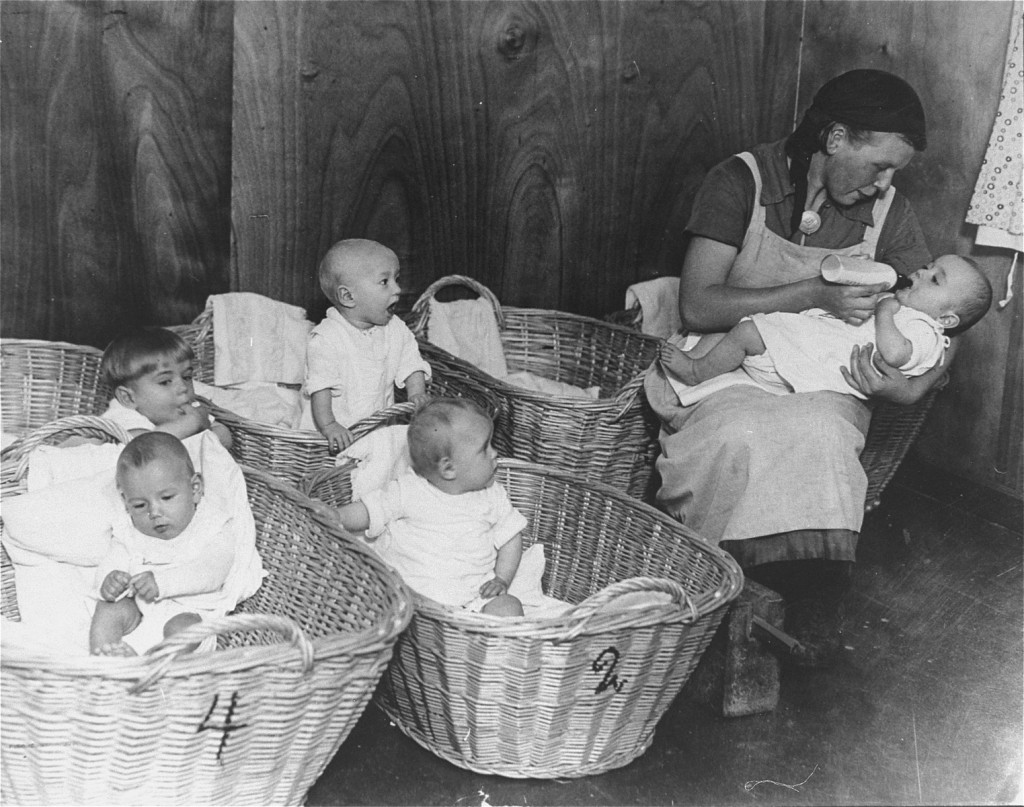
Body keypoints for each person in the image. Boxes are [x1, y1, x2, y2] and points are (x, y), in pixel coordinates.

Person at [643, 69, 965, 666]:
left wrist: (912, 385)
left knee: (820, 435)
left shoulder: (889, 212)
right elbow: (697, 302)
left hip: (821, 380)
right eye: (879, 165)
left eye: (894, 171)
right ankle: (709, 595)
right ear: (836, 138)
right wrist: (811, 294)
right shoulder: (741, 180)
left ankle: (802, 607)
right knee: (739, 436)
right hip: (726, 362)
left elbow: (945, 315)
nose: (884, 183)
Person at [659, 254, 991, 398]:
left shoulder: (925, 330)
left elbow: (893, 353)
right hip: (820, 353)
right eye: (927, 266)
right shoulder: (912, 309)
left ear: (946, 320)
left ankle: (697, 372)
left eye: (934, 279)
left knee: (749, 331)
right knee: (745, 330)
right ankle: (705, 365)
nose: (919, 273)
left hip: (825, 363)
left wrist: (886, 311)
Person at [333, 397, 526, 616]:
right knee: (364, 601)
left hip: (475, 598)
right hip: (412, 598)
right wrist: (337, 516)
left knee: (510, 608)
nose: (495, 453)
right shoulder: (410, 490)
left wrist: (501, 579)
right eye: (485, 449)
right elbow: (370, 510)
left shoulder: (493, 496)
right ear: (448, 468)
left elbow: (512, 537)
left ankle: (489, 647)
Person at [90, 432, 242, 655]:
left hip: (192, 611)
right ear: (126, 502)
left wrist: (162, 583)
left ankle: (155, 664)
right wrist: (110, 580)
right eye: (140, 505)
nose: (154, 512)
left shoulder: (212, 525)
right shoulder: (130, 531)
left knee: (184, 628)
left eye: (167, 498)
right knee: (108, 608)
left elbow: (212, 572)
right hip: (141, 610)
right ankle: (105, 657)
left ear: (195, 489)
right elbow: (115, 558)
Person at [304, 239, 431, 454]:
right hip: (333, 434)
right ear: (348, 296)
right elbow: (320, 389)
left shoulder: (395, 328)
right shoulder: (326, 338)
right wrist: (329, 426)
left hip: (378, 427)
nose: (398, 289)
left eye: (396, 279)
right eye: (384, 282)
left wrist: (416, 393)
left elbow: (411, 361)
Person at [100, 327, 232, 448]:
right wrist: (193, 424)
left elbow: (226, 436)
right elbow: (142, 446)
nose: (183, 387)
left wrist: (205, 427)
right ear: (128, 398)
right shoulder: (122, 414)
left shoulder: (190, 408)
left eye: (186, 377)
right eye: (165, 382)